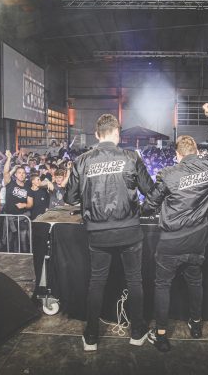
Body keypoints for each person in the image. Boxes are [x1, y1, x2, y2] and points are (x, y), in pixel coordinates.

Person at [65, 113, 154, 352]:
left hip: (98, 232)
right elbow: (151, 190)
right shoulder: (131, 157)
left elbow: (69, 197)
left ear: (96, 134)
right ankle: (137, 333)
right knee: (134, 280)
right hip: (129, 229)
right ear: (117, 133)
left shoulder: (82, 160)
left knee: (97, 282)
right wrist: (142, 209)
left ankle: (91, 337)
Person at [142, 103, 208, 352]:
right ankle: (196, 325)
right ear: (197, 152)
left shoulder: (169, 174)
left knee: (162, 285)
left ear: (177, 155)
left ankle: (161, 335)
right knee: (195, 282)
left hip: (171, 241)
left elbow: (150, 203)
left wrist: (146, 207)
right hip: (198, 239)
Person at [2, 150, 33, 252]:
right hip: (9, 218)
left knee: (23, 241)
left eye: (23, 173)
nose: (22, 175)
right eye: (19, 173)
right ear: (15, 175)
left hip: (22, 218)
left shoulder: (28, 187)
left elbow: (30, 204)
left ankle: (25, 257)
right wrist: (9, 158)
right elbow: (5, 173)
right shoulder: (10, 183)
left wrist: (24, 205)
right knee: (9, 241)